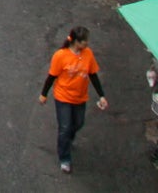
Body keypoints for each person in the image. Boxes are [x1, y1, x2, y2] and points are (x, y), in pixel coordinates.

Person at [39, 26, 108, 174]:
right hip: (63, 96)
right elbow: (52, 76)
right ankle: (64, 157)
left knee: (78, 123)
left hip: (80, 97)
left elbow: (93, 75)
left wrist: (101, 95)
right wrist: (44, 94)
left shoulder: (88, 54)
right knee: (65, 128)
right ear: (76, 42)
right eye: (84, 41)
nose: (87, 44)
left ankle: (67, 141)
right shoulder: (60, 56)